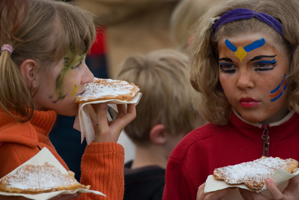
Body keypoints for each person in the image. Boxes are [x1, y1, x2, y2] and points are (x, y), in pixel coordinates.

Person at [162, 0, 299, 199]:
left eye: (261, 65)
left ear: (294, 66)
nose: (243, 82)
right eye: (228, 68)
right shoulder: (193, 153)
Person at [0, 1, 136, 200]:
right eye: (75, 64)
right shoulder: (23, 156)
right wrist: (104, 151)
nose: (89, 77)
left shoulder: (24, 131)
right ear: (32, 73)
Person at [115, 49, 204, 200]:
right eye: (198, 124)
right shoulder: (169, 193)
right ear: (161, 134)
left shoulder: (117, 181)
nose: (204, 131)